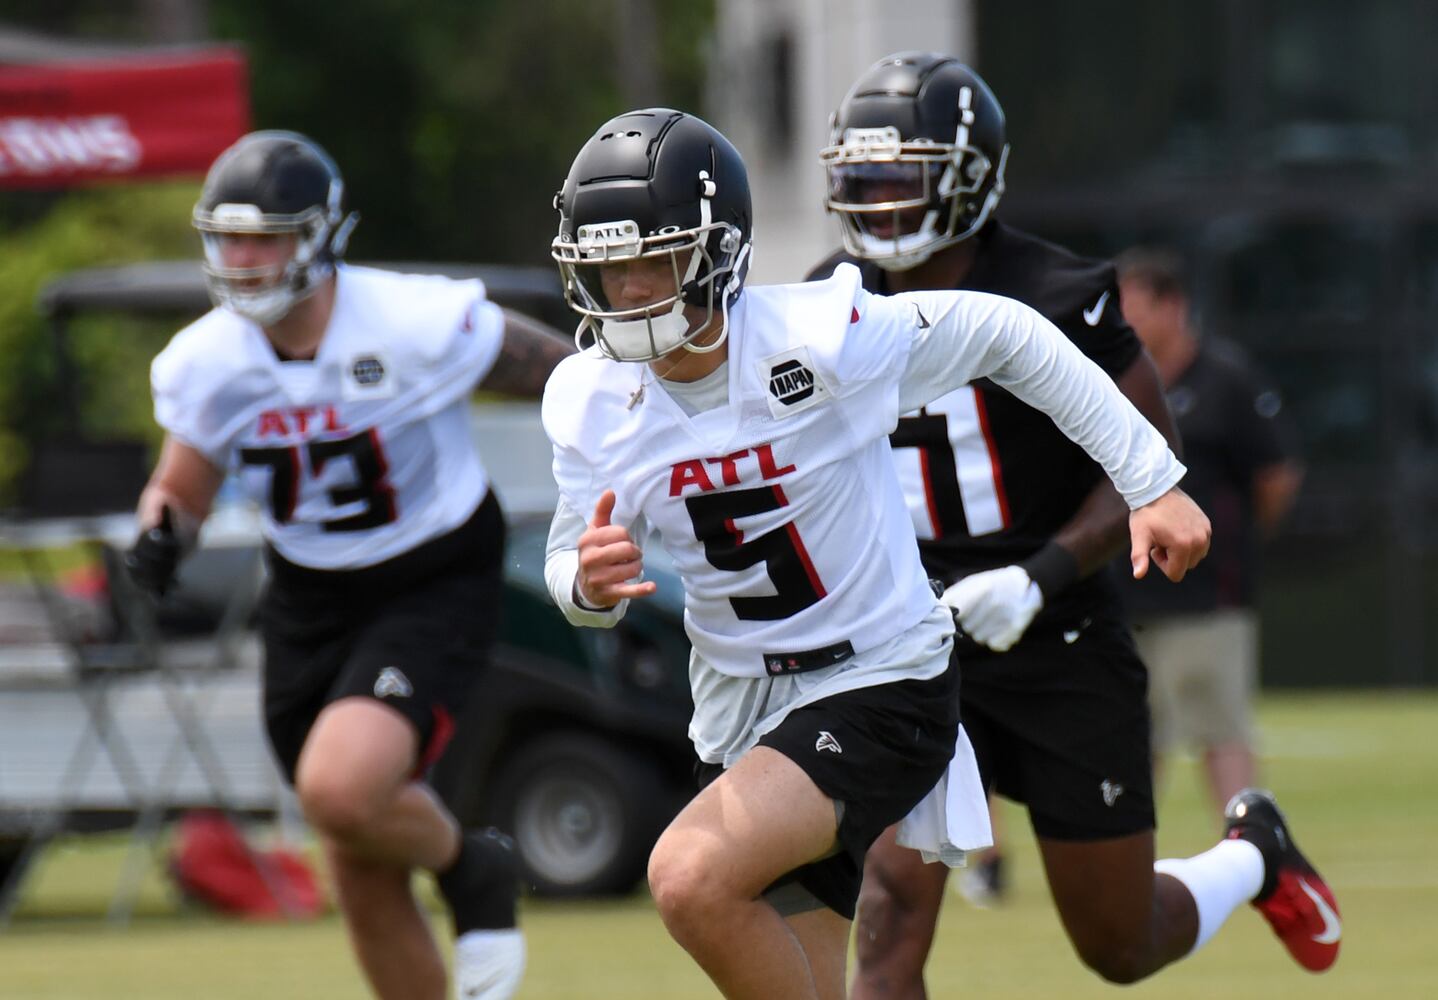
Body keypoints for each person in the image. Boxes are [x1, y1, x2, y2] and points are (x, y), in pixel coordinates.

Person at [540, 106, 1209, 1000]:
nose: (625, 289)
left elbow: (1007, 334)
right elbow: (568, 559)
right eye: (605, 266)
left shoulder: (819, 338)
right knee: (810, 976)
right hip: (739, 706)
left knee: (689, 876)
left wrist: (1150, 479)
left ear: (715, 251)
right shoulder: (588, 397)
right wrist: (585, 582)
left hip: (879, 683)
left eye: (647, 260)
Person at [807, 52, 1341, 995]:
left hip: (1059, 640)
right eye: (863, 177)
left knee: (1117, 942)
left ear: (971, 178)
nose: (879, 201)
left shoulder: (1060, 293)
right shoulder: (826, 299)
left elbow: (1145, 467)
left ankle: (1253, 852)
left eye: (904, 176)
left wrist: (1039, 576)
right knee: (888, 920)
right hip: (913, 646)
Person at [123, 130, 574, 1000]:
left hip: (430, 573)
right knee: (357, 857)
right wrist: (158, 537)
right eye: (228, 238)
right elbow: (181, 486)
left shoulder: (412, 323)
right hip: (307, 598)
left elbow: (568, 376)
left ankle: (474, 868)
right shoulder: (207, 361)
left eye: (265, 237)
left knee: (340, 789)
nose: (243, 259)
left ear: (319, 237)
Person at [1116, 246, 1304, 817]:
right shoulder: (1113, 382)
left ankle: (1250, 846)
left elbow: (1277, 478)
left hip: (1207, 594)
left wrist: (1232, 540)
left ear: (1173, 306)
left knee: (1220, 727)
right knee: (1133, 732)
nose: (1126, 323)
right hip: (1127, 593)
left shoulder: (1227, 378)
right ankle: (1129, 852)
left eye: (1136, 308)